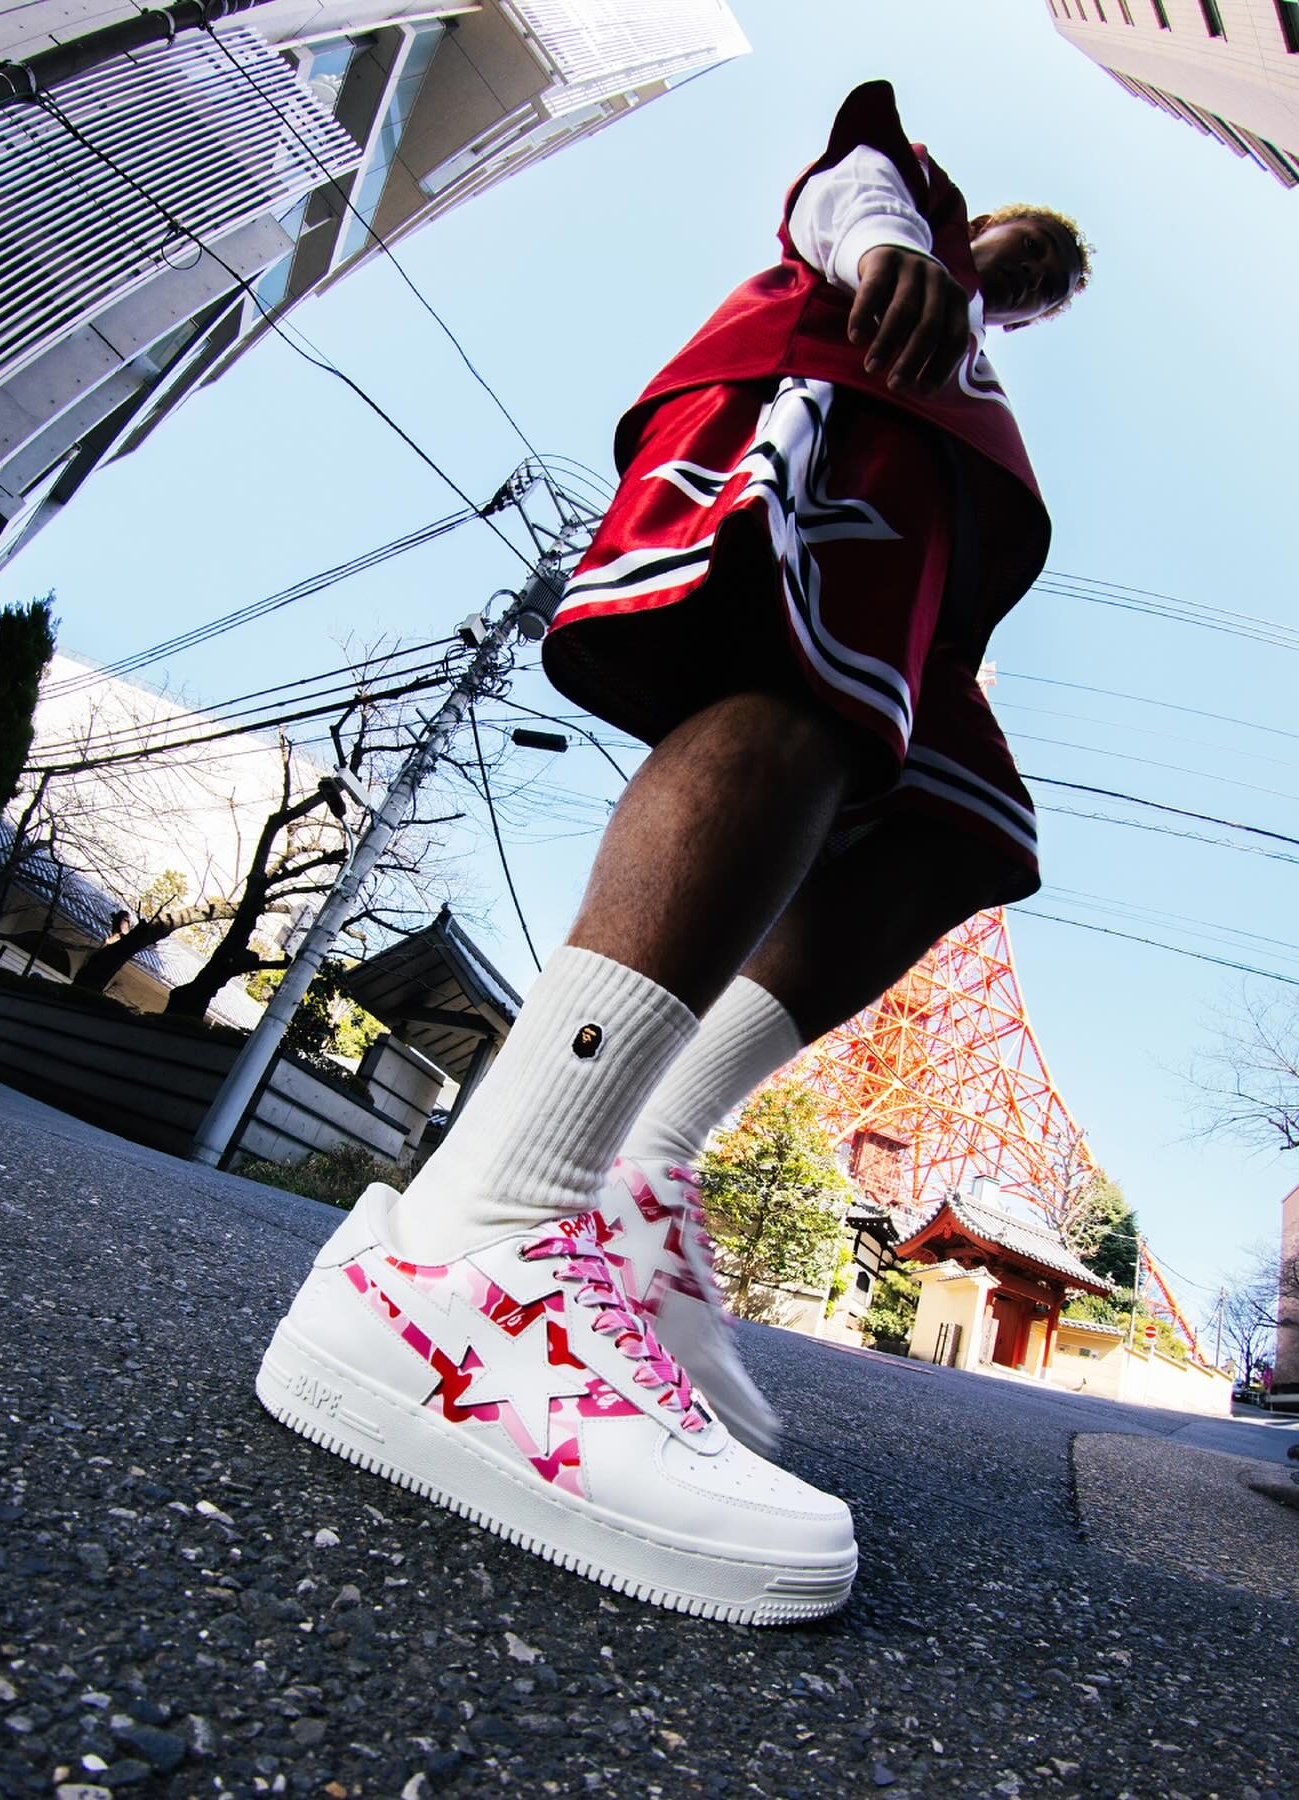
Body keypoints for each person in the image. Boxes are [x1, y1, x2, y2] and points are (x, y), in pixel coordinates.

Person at [258, 80, 1091, 1626]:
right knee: (795, 677)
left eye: (1041, 290)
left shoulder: (975, 351)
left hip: (930, 536)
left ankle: (634, 1165)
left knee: (959, 832)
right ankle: (479, 1235)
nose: (1027, 283)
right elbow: (844, 179)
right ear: (983, 226)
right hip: (830, 403)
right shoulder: (908, 224)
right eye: (1027, 254)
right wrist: (890, 242)